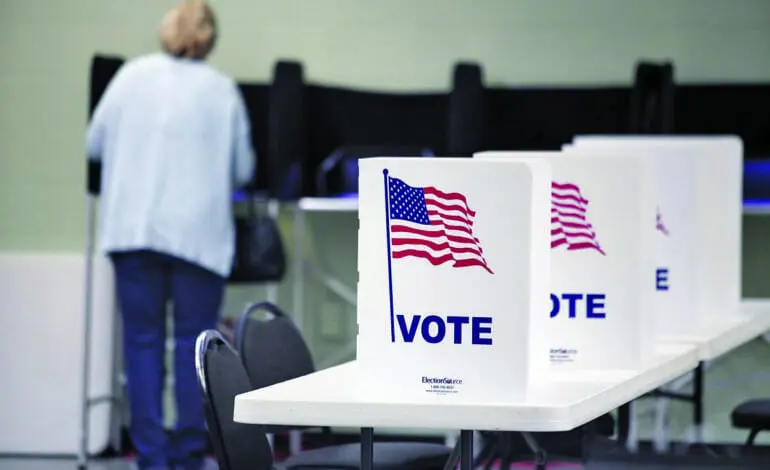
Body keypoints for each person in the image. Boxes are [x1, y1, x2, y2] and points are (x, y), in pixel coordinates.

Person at [86, 1, 255, 469]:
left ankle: (151, 458)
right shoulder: (222, 91)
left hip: (133, 232)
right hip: (198, 240)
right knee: (191, 349)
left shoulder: (130, 77)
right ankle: (187, 455)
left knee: (140, 344)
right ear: (210, 38)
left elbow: (93, 143)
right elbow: (243, 169)